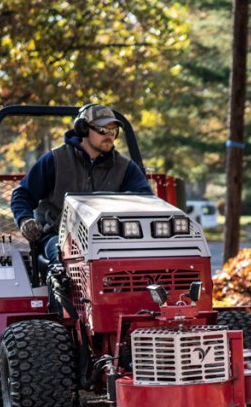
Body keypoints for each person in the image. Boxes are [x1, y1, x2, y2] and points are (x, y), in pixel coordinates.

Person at [10, 104, 152, 280]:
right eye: (102, 129)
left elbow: (146, 201)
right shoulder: (55, 160)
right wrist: (25, 219)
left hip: (111, 239)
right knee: (66, 266)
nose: (109, 135)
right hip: (59, 237)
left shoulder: (126, 168)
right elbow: (22, 195)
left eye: (113, 130)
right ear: (83, 129)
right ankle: (62, 296)